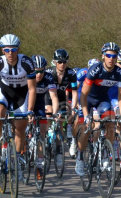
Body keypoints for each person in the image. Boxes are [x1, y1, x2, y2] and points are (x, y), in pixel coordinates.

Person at [76, 42, 121, 176]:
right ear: (103, 56)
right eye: (108, 55)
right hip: (88, 99)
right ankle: (80, 158)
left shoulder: (120, 73)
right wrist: (86, 114)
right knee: (86, 129)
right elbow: (84, 94)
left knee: (111, 123)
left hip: (103, 100)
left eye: (114, 56)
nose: (111, 58)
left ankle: (105, 155)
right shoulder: (95, 69)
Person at [0, 34, 36, 180]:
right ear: (2, 50)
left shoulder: (27, 62)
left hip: (22, 96)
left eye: (13, 49)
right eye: (6, 49)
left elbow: (32, 89)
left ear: (18, 49)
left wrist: (30, 110)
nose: (10, 53)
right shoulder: (0, 62)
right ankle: (1, 148)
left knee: (20, 130)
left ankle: (14, 162)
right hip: (4, 93)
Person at [45, 49, 78, 165]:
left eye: (64, 62)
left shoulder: (71, 73)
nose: (62, 64)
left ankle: (59, 151)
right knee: (49, 113)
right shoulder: (49, 72)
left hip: (61, 98)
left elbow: (74, 92)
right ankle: (46, 134)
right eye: (59, 62)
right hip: (48, 96)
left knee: (60, 124)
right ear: (54, 62)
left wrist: (73, 108)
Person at [32, 54, 59, 179]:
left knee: (42, 134)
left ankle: (39, 166)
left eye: (41, 71)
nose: (39, 74)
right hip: (26, 104)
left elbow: (53, 97)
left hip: (40, 105)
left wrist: (55, 113)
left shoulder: (48, 77)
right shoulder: (27, 76)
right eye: (36, 71)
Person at [69, 59, 100, 158]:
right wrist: (76, 103)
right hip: (81, 96)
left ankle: (96, 147)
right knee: (79, 121)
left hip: (94, 98)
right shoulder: (82, 73)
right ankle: (74, 141)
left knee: (97, 123)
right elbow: (75, 90)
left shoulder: (101, 74)